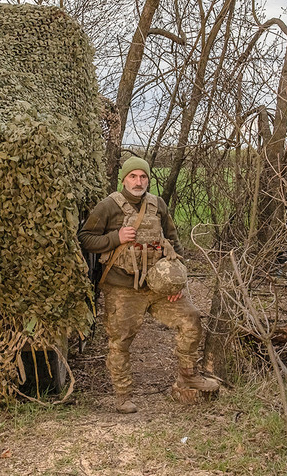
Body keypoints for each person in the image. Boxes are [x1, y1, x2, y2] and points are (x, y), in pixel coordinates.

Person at [78, 156, 219, 413]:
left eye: (143, 177)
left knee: (191, 319)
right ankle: (123, 396)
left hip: (157, 287)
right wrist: (115, 237)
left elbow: (174, 242)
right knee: (120, 341)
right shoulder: (108, 206)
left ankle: (187, 376)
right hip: (121, 287)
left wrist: (176, 282)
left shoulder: (158, 205)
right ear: (124, 179)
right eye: (133, 176)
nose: (138, 181)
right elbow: (85, 238)